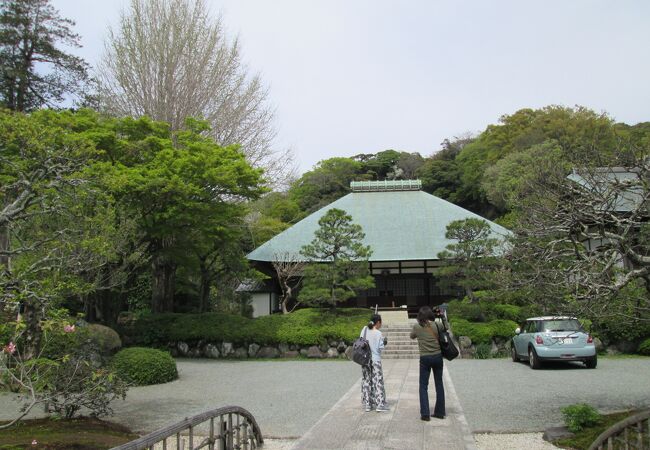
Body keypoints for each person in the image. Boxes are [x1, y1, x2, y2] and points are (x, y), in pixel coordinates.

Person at [410, 306, 449, 421]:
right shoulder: (437, 325)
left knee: (423, 386)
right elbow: (446, 327)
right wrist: (442, 316)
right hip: (437, 357)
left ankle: (425, 414)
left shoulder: (417, 327)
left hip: (425, 358)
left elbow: (412, 336)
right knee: (439, 384)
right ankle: (440, 412)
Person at [360, 314, 389, 412]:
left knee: (366, 381)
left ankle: (368, 404)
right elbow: (380, 348)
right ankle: (380, 404)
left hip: (365, 360)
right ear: (378, 322)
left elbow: (361, 341)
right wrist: (384, 343)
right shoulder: (378, 333)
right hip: (375, 360)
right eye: (381, 323)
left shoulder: (364, 330)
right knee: (378, 381)